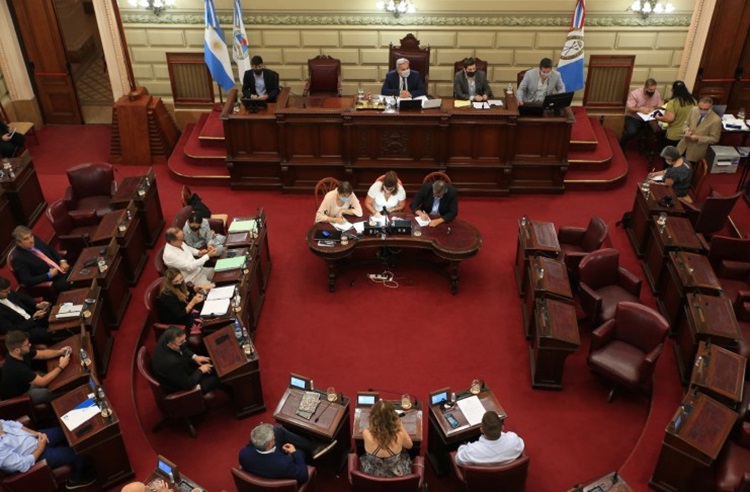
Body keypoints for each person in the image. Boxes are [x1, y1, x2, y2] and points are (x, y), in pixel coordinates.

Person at [0, 419, 96, 489]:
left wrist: (35, 433)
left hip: (36, 438)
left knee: (68, 429)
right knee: (77, 452)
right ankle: (76, 479)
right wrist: (41, 448)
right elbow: (23, 465)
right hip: (36, 456)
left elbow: (11, 423)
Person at [239, 423, 337, 485]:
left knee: (278, 430)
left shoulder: (243, 455)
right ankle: (313, 449)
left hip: (266, 462)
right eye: (273, 438)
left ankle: (313, 446)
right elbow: (303, 476)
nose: (274, 437)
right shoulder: (284, 463)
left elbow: (250, 446)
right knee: (300, 450)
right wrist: (295, 452)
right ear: (270, 444)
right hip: (274, 466)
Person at [0, 330, 71, 403]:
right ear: (17, 350)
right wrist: (61, 366)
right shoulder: (16, 367)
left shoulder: (21, 352)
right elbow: (42, 382)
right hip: (20, 397)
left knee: (57, 379)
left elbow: (41, 354)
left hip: (26, 384)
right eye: (27, 344)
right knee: (54, 392)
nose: (30, 345)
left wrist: (59, 352)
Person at [150, 326, 219, 394]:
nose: (185, 342)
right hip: (181, 386)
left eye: (184, 339)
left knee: (210, 364)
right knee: (216, 378)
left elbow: (182, 347)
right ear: (170, 344)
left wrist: (194, 357)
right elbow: (188, 384)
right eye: (181, 342)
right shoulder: (173, 363)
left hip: (182, 368)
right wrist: (201, 370)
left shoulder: (167, 337)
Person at [359, 400, 413, 477]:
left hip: (371, 474)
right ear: (393, 417)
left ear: (373, 417)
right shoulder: (399, 434)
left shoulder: (366, 433)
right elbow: (410, 445)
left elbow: (373, 429)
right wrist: (400, 425)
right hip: (395, 474)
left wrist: (375, 423)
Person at [10, 225, 71, 293]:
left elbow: (50, 249)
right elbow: (27, 281)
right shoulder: (18, 258)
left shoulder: (36, 240)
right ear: (18, 243)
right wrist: (49, 275)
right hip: (52, 281)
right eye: (26, 239)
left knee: (78, 272)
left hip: (61, 269)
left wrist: (62, 261)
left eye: (31, 236)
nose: (31, 240)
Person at [454, 411, 524, 466]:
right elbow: (521, 446)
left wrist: (462, 446)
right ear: (502, 428)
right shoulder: (513, 439)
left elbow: (458, 460)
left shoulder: (471, 450)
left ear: (481, 429)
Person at [156, 268, 213, 334]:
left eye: (181, 279)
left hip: (188, 313)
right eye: (176, 281)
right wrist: (192, 302)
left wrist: (197, 288)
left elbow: (188, 290)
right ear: (170, 283)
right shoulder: (167, 296)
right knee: (206, 320)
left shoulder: (178, 285)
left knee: (208, 308)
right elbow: (180, 314)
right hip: (179, 321)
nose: (180, 282)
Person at [0, 276, 53, 344]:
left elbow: (23, 298)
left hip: (32, 317)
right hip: (24, 331)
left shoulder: (8, 294)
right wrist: (33, 319)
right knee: (48, 333)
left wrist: (36, 305)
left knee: (54, 315)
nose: (9, 292)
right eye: (6, 291)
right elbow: (12, 330)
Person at [677, 96, 722, 164]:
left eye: (705, 109)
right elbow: (686, 123)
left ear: (711, 107)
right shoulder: (694, 110)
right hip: (683, 146)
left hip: (696, 150)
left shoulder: (716, 120)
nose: (702, 111)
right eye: (700, 108)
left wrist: (698, 138)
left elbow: (715, 139)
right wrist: (686, 130)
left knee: (689, 168)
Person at [619, 79, 662, 150]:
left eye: (654, 90)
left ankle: (652, 149)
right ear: (645, 88)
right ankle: (621, 146)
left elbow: (659, 106)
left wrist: (653, 108)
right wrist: (640, 109)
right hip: (634, 117)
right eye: (650, 90)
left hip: (649, 118)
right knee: (631, 132)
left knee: (659, 130)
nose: (652, 92)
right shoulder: (635, 94)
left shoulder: (656, 94)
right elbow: (629, 108)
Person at [654, 80, 697, 148]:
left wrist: (658, 117)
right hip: (688, 133)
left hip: (675, 134)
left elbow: (669, 119)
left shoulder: (673, 102)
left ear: (673, 90)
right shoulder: (693, 101)